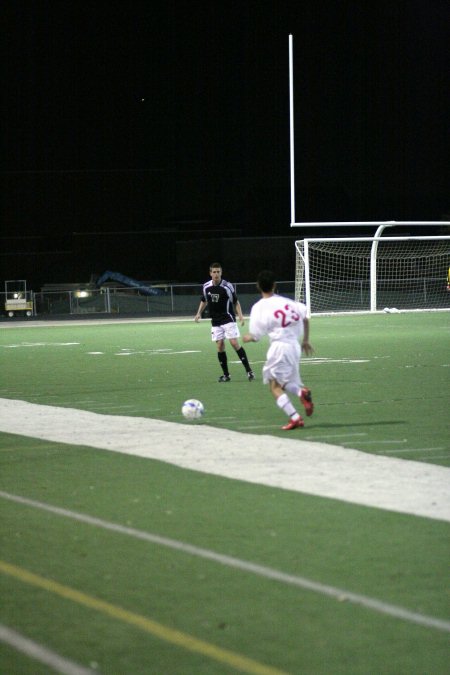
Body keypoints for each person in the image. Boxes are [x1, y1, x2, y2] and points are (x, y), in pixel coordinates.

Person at [243, 269, 314, 430]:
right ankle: (301, 393)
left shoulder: (259, 307)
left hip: (279, 347)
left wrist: (248, 337)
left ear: (258, 286)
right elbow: (305, 318)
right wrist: (306, 340)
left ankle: (295, 417)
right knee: (284, 381)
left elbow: (256, 336)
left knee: (273, 385)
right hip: (295, 346)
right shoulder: (288, 302)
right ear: (274, 285)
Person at [195, 262, 255, 382]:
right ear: (210, 273)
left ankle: (249, 371)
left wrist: (241, 316)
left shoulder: (227, 286)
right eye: (214, 272)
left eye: (218, 272)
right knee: (220, 346)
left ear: (221, 273)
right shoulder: (206, 286)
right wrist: (198, 313)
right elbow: (204, 300)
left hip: (228, 318)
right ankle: (226, 375)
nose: (216, 274)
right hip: (215, 320)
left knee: (233, 343)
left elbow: (235, 302)